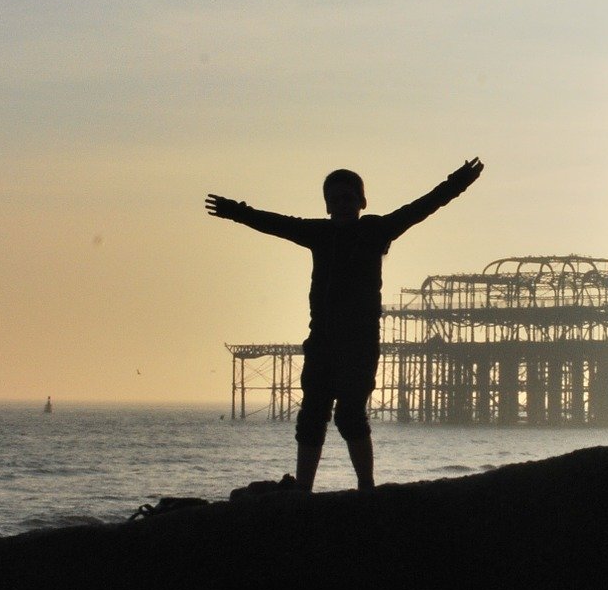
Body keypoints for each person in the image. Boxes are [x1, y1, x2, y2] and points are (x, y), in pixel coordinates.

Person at [206, 159, 484, 491]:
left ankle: (366, 486)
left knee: (350, 415)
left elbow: (422, 207)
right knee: (311, 417)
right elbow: (274, 223)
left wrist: (458, 181)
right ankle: (304, 490)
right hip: (322, 340)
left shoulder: (376, 229)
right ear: (327, 205)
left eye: (348, 198)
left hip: (360, 344)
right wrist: (234, 211)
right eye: (335, 199)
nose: (342, 205)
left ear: (361, 202)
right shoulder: (319, 234)